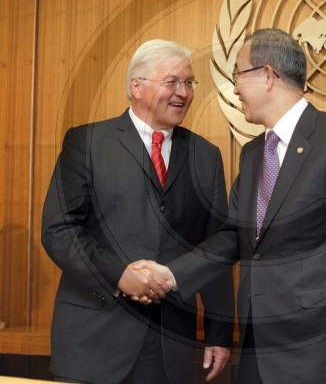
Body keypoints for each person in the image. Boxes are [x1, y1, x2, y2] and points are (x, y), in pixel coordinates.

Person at [135, 28, 326, 383]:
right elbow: (232, 238)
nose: (235, 88)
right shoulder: (254, 154)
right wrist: (172, 275)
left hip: (317, 345)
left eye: (238, 74)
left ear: (267, 75)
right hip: (256, 344)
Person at [41, 39, 234, 384]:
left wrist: (218, 333)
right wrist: (119, 275)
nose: (184, 92)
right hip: (92, 341)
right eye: (172, 82)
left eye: (189, 83)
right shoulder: (86, 143)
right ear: (136, 86)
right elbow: (60, 231)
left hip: (168, 344)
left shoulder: (206, 156)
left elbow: (215, 248)